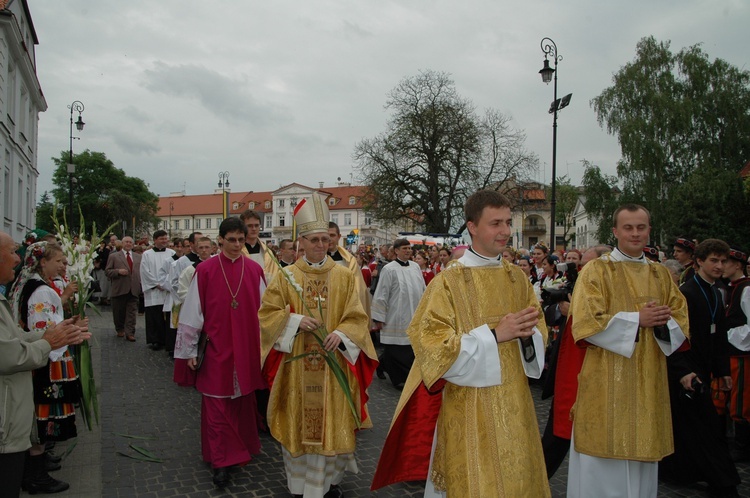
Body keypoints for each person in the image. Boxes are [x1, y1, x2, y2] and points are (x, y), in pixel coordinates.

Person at [372, 190, 549, 497]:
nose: (505, 231)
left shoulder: (517, 279)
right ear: (472, 227)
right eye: (495, 223)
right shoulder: (448, 282)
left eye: (508, 222)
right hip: (469, 408)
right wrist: (495, 335)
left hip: (516, 404)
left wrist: (528, 336)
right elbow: (431, 347)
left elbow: (538, 331)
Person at [259, 194, 378, 498]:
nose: (320, 245)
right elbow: (267, 315)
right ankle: (300, 485)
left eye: (325, 239)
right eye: (314, 240)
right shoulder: (286, 277)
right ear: (302, 242)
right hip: (297, 368)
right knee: (300, 426)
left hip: (334, 365)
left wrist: (341, 334)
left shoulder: (343, 276)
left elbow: (356, 316)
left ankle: (327, 483)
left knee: (332, 425)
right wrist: (296, 320)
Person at [567, 204, 689, 498]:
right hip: (606, 386)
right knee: (603, 471)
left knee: (641, 471)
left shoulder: (661, 275)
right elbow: (584, 323)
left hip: (649, 385)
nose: (635, 234)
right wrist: (638, 320)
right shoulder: (596, 270)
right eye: (628, 228)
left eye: (641, 227)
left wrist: (662, 323)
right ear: (615, 232)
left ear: (649, 230)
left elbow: (681, 321)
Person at [174, 218, 266, 488]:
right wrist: (190, 350)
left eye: (241, 239)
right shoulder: (204, 270)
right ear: (221, 241)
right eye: (232, 240)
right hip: (216, 348)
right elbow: (193, 311)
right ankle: (220, 461)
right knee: (216, 404)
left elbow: (266, 313)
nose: (238, 245)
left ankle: (238, 450)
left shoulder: (254, 270)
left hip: (246, 348)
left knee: (240, 402)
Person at [0, 231, 90, 498]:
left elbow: (19, 335)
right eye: (12, 252)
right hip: (26, 382)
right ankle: (35, 474)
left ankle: (35, 468)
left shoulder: (30, 286)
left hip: (35, 363)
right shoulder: (39, 288)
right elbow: (11, 352)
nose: (17, 259)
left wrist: (57, 333)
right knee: (43, 419)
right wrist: (50, 341)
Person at [660, 239, 740, 496]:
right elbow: (674, 336)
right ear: (699, 263)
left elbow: (718, 336)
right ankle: (724, 483)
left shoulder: (717, 292)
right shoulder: (687, 293)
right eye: (713, 260)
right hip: (687, 371)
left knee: (692, 425)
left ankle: (680, 472)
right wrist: (683, 372)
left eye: (723, 261)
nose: (719, 266)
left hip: (704, 369)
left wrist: (724, 371)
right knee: (705, 427)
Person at [371, 239, 426, 388]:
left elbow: (422, 289)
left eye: (409, 248)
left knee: (408, 347)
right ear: (396, 251)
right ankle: (399, 378)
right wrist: (379, 316)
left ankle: (382, 365)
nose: (408, 251)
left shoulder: (415, 267)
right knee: (396, 348)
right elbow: (382, 293)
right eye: (404, 248)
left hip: (413, 313)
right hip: (395, 314)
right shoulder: (389, 269)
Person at [723, 246, 750, 461]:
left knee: (741, 398)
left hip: (742, 352)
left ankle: (743, 445)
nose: (721, 266)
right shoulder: (732, 287)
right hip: (732, 351)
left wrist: (729, 335)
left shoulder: (746, 289)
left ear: (738, 265)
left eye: (726, 262)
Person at [140, 230, 175, 350]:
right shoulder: (147, 254)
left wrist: (167, 284)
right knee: (154, 316)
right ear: (155, 240)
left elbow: (175, 270)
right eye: (161, 239)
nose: (164, 241)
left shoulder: (172, 253)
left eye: (166, 238)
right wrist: (156, 284)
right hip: (154, 290)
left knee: (167, 316)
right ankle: (155, 340)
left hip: (167, 289)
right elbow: (145, 271)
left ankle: (167, 340)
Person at [105, 236, 142, 342]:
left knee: (131, 312)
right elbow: (107, 271)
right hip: (119, 288)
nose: (128, 244)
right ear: (122, 243)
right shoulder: (114, 256)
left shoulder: (138, 257)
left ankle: (130, 332)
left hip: (133, 289)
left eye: (130, 242)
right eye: (126, 242)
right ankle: (120, 328)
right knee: (118, 312)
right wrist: (118, 272)